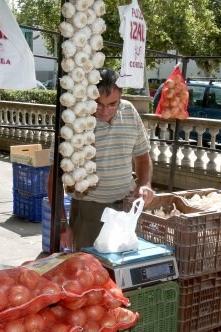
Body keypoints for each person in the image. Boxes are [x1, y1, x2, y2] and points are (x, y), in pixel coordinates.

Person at [47, 67, 155, 251]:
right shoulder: (74, 121)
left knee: (121, 270)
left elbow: (143, 158)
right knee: (89, 270)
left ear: (120, 97)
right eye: (98, 104)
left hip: (126, 209)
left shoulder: (129, 112)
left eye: (113, 104)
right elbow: (54, 179)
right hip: (88, 213)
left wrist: (145, 184)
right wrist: (63, 224)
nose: (105, 111)